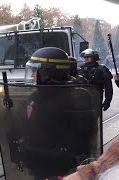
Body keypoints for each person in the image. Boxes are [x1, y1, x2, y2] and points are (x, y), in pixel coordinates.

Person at [21, 47, 100, 178]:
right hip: (38, 164)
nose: (31, 75)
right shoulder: (36, 96)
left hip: (62, 169)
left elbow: (83, 141)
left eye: (35, 71)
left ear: (47, 73)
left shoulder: (77, 97)